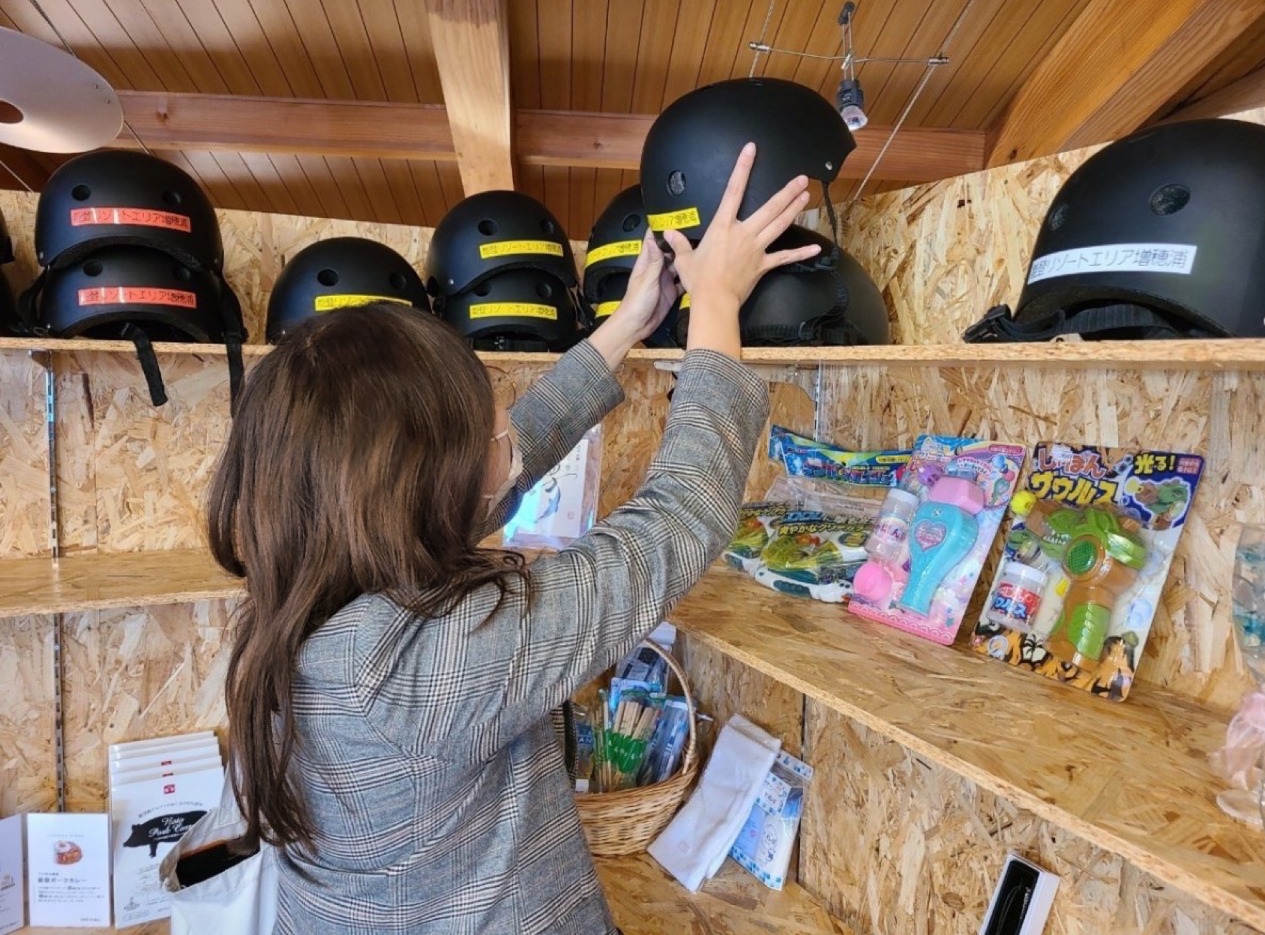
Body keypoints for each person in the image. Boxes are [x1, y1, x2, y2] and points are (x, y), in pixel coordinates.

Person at [206, 144, 821, 935]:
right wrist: (717, 304)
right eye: (486, 423)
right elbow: (680, 517)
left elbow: (502, 464)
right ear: (421, 483)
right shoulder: (425, 663)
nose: (504, 430)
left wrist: (624, 327)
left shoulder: (316, 589)